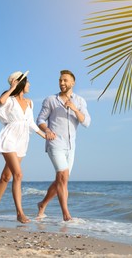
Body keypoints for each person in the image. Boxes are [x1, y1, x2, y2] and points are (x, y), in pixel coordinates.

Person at [0, 71, 46, 224]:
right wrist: (11, 88)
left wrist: (44, 135)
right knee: (18, 174)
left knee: (6, 177)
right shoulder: (10, 100)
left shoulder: (30, 102)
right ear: (20, 83)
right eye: (27, 82)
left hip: (22, 139)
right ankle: (20, 213)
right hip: (9, 137)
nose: (29, 85)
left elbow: (30, 122)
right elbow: (0, 101)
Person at [36, 69, 91, 221]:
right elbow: (40, 120)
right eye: (60, 80)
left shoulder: (80, 101)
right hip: (55, 143)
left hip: (71, 146)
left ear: (73, 83)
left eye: (65, 80)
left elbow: (86, 122)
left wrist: (74, 108)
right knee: (63, 176)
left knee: (62, 179)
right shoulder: (50, 100)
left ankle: (42, 204)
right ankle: (66, 215)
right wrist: (46, 130)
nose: (62, 83)